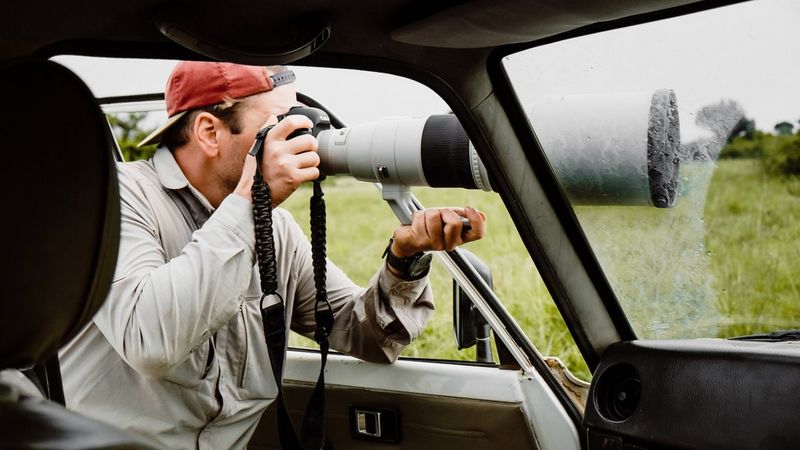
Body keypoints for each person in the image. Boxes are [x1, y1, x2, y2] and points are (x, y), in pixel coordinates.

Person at [60, 61, 486, 449]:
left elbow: (365, 337)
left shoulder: (275, 230)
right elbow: (149, 340)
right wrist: (249, 202)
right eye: (279, 126)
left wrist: (403, 258)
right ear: (210, 132)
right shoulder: (115, 197)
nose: (299, 139)